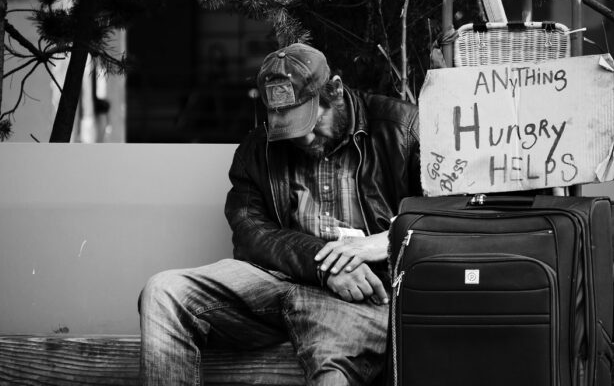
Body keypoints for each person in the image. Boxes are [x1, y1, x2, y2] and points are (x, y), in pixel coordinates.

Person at [138, 43, 421, 386]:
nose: (304, 138)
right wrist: (321, 264)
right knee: (163, 291)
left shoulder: (402, 129)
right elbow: (249, 232)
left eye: (313, 123)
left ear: (334, 89)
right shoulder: (259, 149)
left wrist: (387, 241)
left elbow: (453, 217)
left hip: (361, 297)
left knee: (332, 378)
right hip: (280, 280)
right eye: (290, 128)